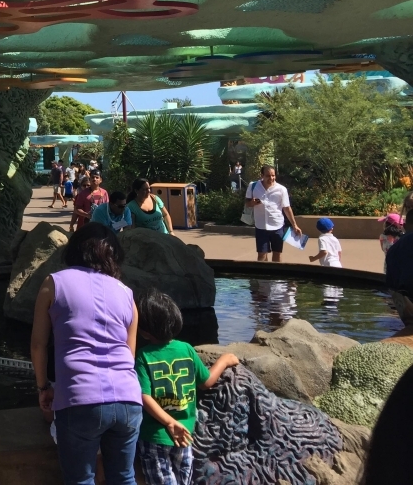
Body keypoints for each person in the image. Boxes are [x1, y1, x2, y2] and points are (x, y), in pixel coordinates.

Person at [31, 223, 142, 485]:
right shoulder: (127, 294)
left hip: (80, 399)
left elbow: (38, 345)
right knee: (124, 477)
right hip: (128, 400)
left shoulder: (54, 284)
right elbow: (129, 353)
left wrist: (43, 387)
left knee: (80, 479)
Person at [134, 288, 239, 485]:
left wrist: (167, 422)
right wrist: (223, 361)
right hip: (185, 434)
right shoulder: (186, 349)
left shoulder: (143, 356)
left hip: (155, 436)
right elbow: (206, 382)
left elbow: (144, 396)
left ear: (145, 332)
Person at [245, 165, 298, 263]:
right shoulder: (253, 186)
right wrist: (252, 203)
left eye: (273, 175)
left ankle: (276, 276)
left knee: (277, 253)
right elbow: (247, 203)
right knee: (261, 255)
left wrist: (294, 225)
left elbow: (286, 208)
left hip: (277, 226)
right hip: (261, 226)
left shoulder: (281, 189)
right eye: (268, 176)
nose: (271, 178)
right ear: (262, 175)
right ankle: (262, 277)